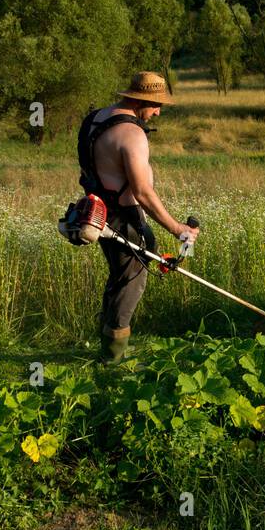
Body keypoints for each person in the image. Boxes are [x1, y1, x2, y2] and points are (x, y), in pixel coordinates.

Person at [77, 71, 199, 364]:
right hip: (124, 218)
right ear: (140, 99)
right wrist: (178, 229)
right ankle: (112, 359)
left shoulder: (95, 118)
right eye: (156, 105)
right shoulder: (131, 134)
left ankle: (106, 346)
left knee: (119, 278)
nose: (157, 112)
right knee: (131, 281)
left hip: (98, 213)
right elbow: (143, 192)